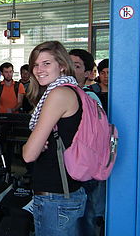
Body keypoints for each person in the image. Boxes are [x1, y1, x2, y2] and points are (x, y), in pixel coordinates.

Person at [22, 41, 86, 236]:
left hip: (56, 198)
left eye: (46, 63)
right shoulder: (73, 90)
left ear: (62, 65)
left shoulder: (58, 94)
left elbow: (28, 155)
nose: (38, 69)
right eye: (35, 64)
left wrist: (32, 144)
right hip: (68, 192)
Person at [69, 49, 105, 236]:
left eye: (76, 66)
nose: (69, 68)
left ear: (89, 73)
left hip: (85, 171)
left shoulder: (90, 98)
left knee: (86, 220)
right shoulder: (58, 94)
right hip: (67, 172)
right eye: (67, 63)